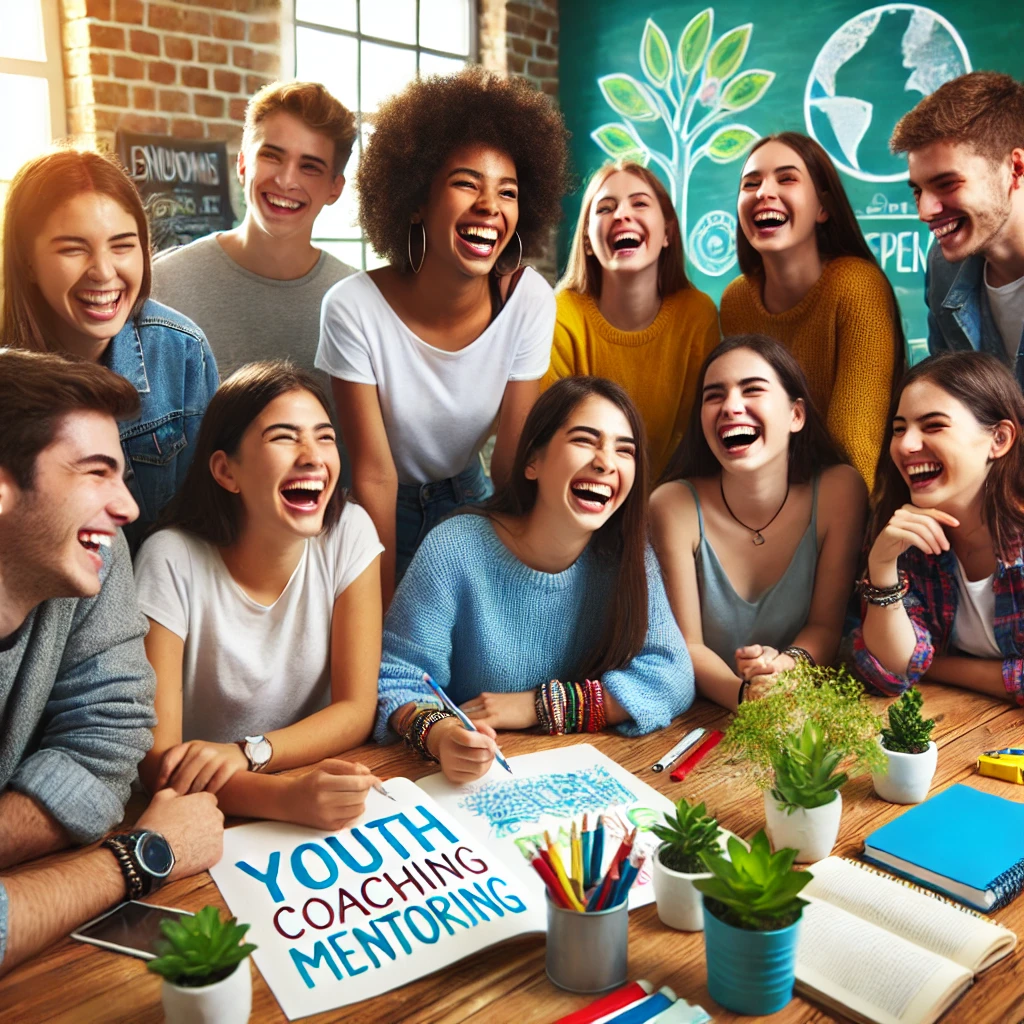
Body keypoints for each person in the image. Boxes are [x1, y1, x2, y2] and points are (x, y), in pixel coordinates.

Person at [0, 349, 224, 976]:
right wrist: (141, 855)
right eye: (96, 472)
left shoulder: (95, 556)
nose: (128, 507)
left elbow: (111, 737)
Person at [316, 67, 570, 603]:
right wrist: (380, 618)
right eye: (465, 183)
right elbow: (375, 477)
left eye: (508, 192)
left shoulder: (528, 300)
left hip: (473, 498)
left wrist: (511, 577)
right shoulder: (352, 309)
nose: (490, 207)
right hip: (378, 513)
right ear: (415, 199)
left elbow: (508, 462)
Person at [375, 376, 695, 783]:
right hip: (468, 782)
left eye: (624, 450)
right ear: (533, 462)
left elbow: (672, 674)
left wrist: (540, 706)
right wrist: (439, 735)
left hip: (576, 779)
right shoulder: (455, 549)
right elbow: (396, 678)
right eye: (585, 440)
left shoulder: (627, 555)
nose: (606, 462)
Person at [134, 362, 386, 828]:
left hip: (306, 782)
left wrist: (252, 752)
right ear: (226, 471)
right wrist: (283, 798)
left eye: (325, 437)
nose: (313, 456)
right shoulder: (169, 559)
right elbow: (157, 762)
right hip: (200, 811)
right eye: (285, 437)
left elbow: (356, 710)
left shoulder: (350, 530)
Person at [1, 148, 218, 543]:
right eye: (73, 248)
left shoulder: (181, 351)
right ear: (27, 259)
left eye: (122, 245)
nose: (103, 272)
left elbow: (206, 525)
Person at [650, 336, 866, 709]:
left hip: (801, 701)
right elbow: (687, 647)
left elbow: (826, 629)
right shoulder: (672, 505)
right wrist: (747, 698)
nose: (731, 406)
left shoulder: (841, 491)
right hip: (704, 713)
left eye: (752, 390)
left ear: (796, 415)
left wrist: (787, 668)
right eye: (714, 395)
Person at [719, 131, 905, 488]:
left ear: (823, 208)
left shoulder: (857, 285)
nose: (763, 193)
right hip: (767, 500)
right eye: (750, 184)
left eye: (786, 178)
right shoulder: (736, 301)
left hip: (852, 507)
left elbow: (854, 450)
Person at [152, 81, 357, 384]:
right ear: (243, 163)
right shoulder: (164, 284)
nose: (286, 181)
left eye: (310, 166)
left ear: (335, 188)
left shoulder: (357, 303)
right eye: (272, 156)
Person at [854, 352, 1024, 706]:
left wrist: (933, 666)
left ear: (999, 439)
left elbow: (914, 665)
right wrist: (882, 567)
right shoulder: (905, 538)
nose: (905, 445)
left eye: (933, 426)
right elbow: (889, 672)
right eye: (899, 429)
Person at [544, 160, 720, 480]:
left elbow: (696, 440)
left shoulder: (697, 315)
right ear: (587, 241)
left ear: (667, 233)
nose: (622, 214)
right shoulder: (560, 315)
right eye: (605, 208)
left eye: (639, 203)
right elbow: (553, 442)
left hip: (669, 498)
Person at [890, 72, 1024, 379]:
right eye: (918, 191)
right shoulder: (943, 268)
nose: (924, 211)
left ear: (1015, 168)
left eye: (947, 183)